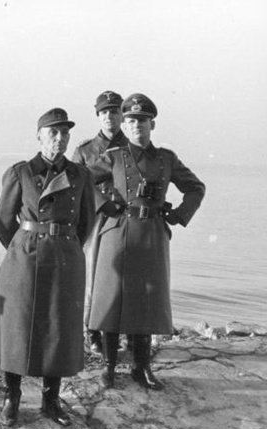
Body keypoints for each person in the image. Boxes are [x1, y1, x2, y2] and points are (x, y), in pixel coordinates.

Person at [0, 108, 96, 427]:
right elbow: (2, 220)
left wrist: (64, 244)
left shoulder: (80, 175)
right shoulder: (19, 172)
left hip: (65, 258)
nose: (59, 139)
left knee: (59, 327)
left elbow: (87, 221)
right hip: (25, 257)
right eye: (53, 133)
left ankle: (50, 400)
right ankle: (12, 398)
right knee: (17, 327)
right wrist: (23, 246)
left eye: (65, 133)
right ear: (39, 137)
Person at [87, 93, 205, 391]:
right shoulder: (113, 157)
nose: (136, 125)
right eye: (130, 121)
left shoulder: (166, 158)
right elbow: (82, 181)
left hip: (152, 232)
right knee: (113, 297)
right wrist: (104, 204)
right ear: (123, 127)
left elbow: (195, 187)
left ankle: (142, 367)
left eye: (142, 120)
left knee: (148, 300)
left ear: (152, 124)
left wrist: (178, 215)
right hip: (119, 231)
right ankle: (109, 366)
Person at [71, 91, 130, 359]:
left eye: (115, 112)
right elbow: (74, 182)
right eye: (104, 112)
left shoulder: (132, 147)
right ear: (98, 116)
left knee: (126, 275)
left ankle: (126, 331)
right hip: (95, 219)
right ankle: (91, 331)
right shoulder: (84, 150)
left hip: (125, 219)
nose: (110, 117)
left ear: (122, 116)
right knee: (93, 275)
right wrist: (100, 202)